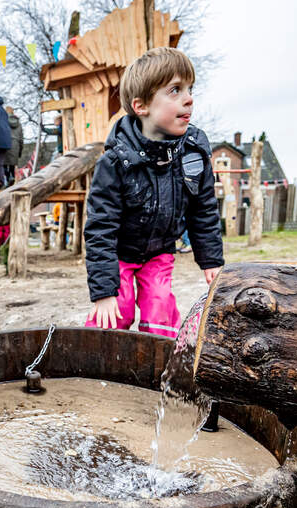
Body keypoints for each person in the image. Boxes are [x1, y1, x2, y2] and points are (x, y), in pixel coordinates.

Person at [84, 47, 224, 334]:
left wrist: (211, 260)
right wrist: (102, 292)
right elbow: (101, 227)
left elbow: (204, 209)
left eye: (190, 88)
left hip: (159, 251)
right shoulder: (115, 162)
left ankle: (157, 365)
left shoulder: (193, 154)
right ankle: (96, 358)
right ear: (141, 106)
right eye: (175, 90)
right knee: (115, 312)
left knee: (159, 310)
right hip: (120, 253)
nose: (189, 98)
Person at [5, 105, 24, 184]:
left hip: (6, 143)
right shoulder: (19, 124)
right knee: (12, 165)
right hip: (16, 144)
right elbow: (21, 138)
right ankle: (12, 177)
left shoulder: (3, 121)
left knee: (4, 163)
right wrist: (20, 151)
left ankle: (7, 178)